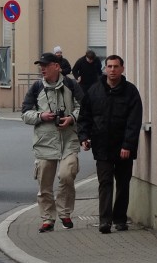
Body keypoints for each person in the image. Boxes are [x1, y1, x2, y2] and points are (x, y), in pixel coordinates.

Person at [78, 55, 143, 233]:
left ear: (122, 69)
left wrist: (128, 145)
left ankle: (120, 219)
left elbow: (134, 121)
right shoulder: (94, 91)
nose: (112, 70)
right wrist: (84, 136)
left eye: (116, 66)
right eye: (109, 66)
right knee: (105, 183)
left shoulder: (131, 92)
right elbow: (85, 117)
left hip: (123, 148)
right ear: (105, 69)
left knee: (122, 184)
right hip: (102, 146)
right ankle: (105, 221)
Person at [21, 52, 84, 233]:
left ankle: (65, 213)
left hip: (68, 139)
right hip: (44, 141)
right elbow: (25, 113)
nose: (42, 69)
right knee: (44, 184)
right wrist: (41, 116)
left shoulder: (71, 85)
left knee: (67, 174)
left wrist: (71, 118)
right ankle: (48, 219)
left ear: (57, 66)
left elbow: (84, 107)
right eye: (41, 65)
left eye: (46, 65)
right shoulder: (36, 87)